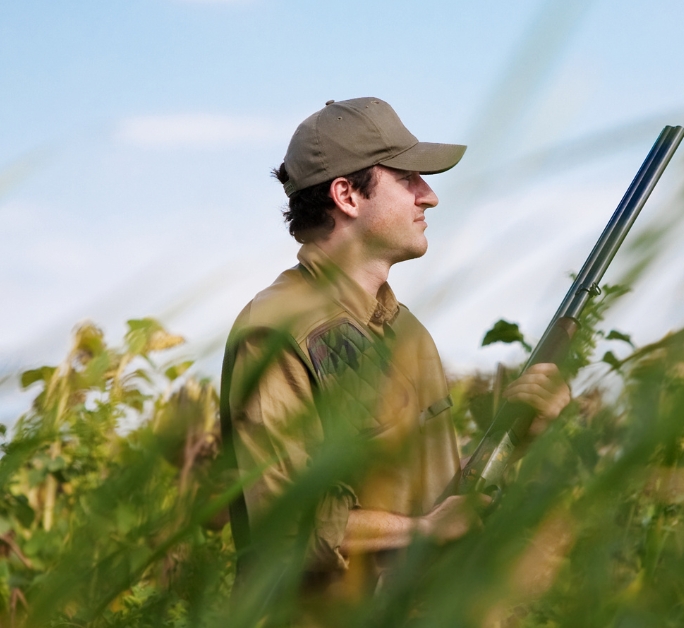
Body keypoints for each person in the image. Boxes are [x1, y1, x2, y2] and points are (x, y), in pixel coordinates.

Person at [218, 97, 570, 610]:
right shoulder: (275, 330)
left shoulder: (408, 332)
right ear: (347, 195)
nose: (428, 196)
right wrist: (422, 530)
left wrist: (523, 432)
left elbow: (434, 494)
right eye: (407, 178)